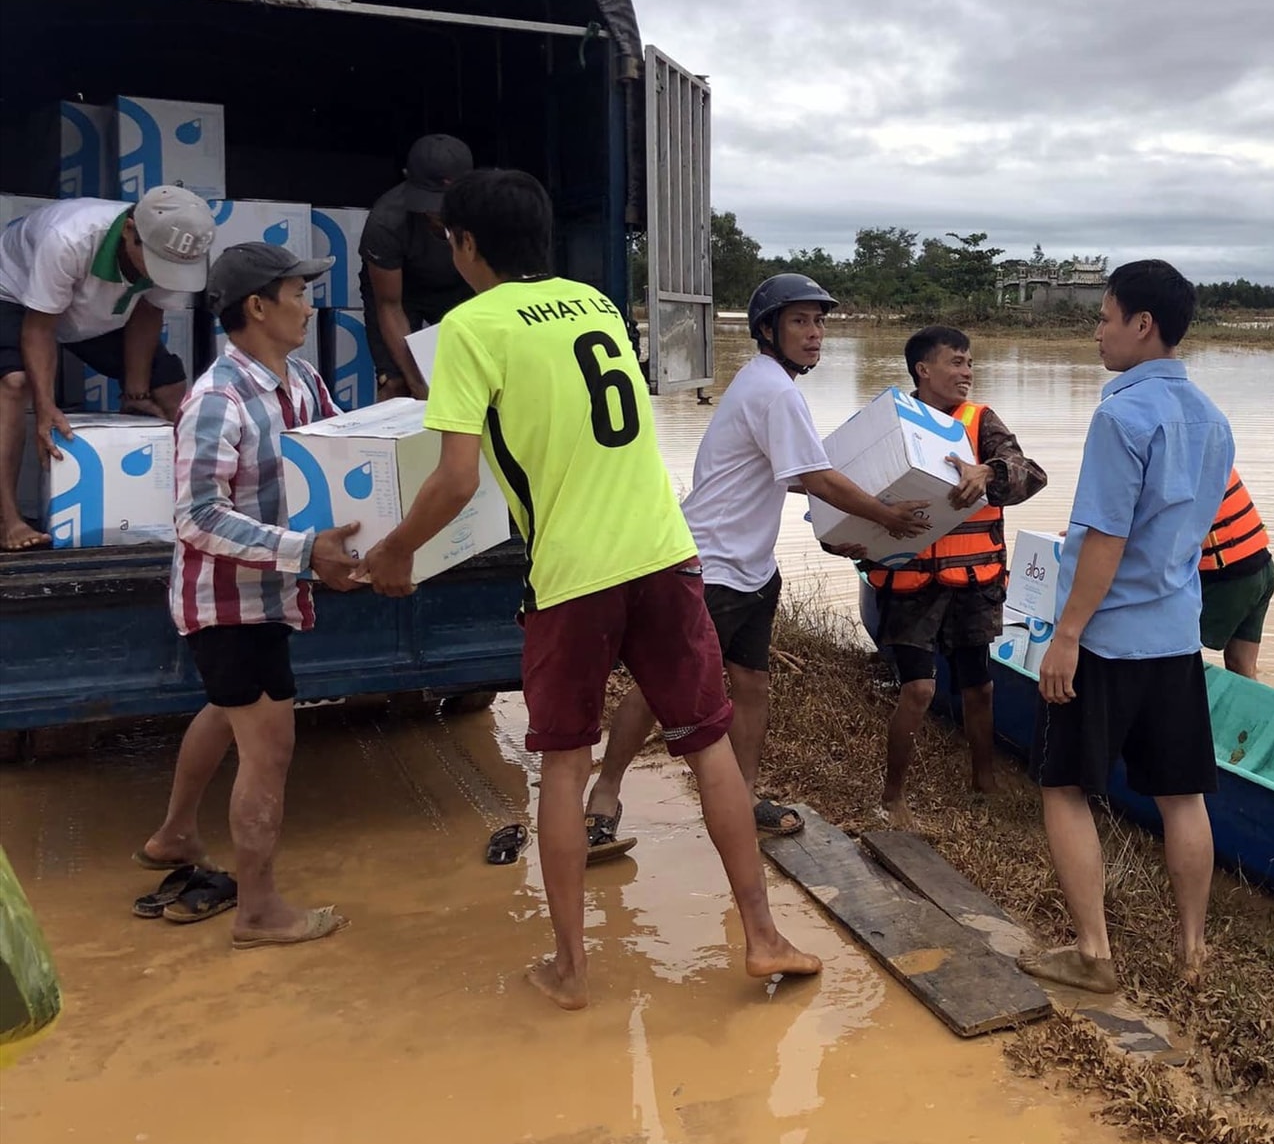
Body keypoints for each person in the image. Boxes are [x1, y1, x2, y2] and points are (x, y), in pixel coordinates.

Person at [358, 171, 823, 1010]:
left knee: (565, 769)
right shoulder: (597, 303)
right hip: (667, 552)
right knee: (708, 742)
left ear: (464, 245)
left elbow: (457, 479)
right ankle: (762, 936)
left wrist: (394, 552)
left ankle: (572, 971)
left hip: (573, 575)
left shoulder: (467, 328)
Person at [586, 273, 931, 843]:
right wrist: (885, 516)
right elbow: (818, 477)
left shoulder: (765, 384)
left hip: (751, 568)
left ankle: (744, 797)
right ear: (767, 330)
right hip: (709, 566)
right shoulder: (774, 390)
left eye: (819, 322)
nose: (815, 334)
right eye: (800, 321)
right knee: (659, 687)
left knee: (751, 685)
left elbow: (791, 477)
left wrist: (840, 531)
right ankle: (605, 793)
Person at [1018, 260, 1233, 995]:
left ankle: (1093, 952)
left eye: (1105, 316)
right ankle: (1193, 948)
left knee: (1065, 785)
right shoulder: (1212, 418)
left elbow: (1106, 538)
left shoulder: (1120, 416)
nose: (1098, 331)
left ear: (1143, 324)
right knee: (1181, 795)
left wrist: (1067, 634)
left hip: (1108, 635)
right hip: (1175, 633)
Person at [137, 242, 358, 948]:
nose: (308, 303)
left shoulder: (302, 382)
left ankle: (174, 834)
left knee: (229, 713)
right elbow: (195, 517)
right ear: (258, 307)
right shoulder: (216, 399)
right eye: (297, 291)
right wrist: (304, 551)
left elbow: (340, 452)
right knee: (269, 749)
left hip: (268, 592)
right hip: (229, 603)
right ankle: (258, 910)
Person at [852, 325, 1048, 828]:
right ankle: (892, 797)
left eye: (969, 363)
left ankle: (984, 782)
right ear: (924, 369)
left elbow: (1031, 473)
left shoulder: (980, 421)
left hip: (973, 578)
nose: (967, 372)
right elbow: (843, 491)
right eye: (957, 363)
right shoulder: (887, 421)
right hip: (910, 581)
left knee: (978, 687)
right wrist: (845, 541)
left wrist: (991, 472)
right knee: (918, 690)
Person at [0, 188, 214, 550]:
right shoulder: (68, 238)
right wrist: (46, 409)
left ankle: (190, 509)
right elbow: (40, 328)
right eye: (156, 261)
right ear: (130, 230)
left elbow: (148, 313)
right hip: (17, 295)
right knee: (14, 384)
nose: (164, 272)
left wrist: (136, 393)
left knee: (170, 386)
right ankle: (8, 519)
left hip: (92, 310)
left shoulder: (176, 250)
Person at [359, 133, 474, 400]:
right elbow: (389, 305)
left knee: (469, 375)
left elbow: (495, 290)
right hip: (401, 293)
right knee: (397, 384)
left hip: (462, 286)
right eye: (431, 204)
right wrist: (417, 382)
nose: (439, 214)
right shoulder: (385, 222)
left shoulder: (487, 212)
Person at [1198, 468, 1274, 679]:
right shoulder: (1212, 446)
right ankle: (1256, 711)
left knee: (1168, 654)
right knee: (1243, 667)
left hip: (1229, 579)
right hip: (1262, 567)